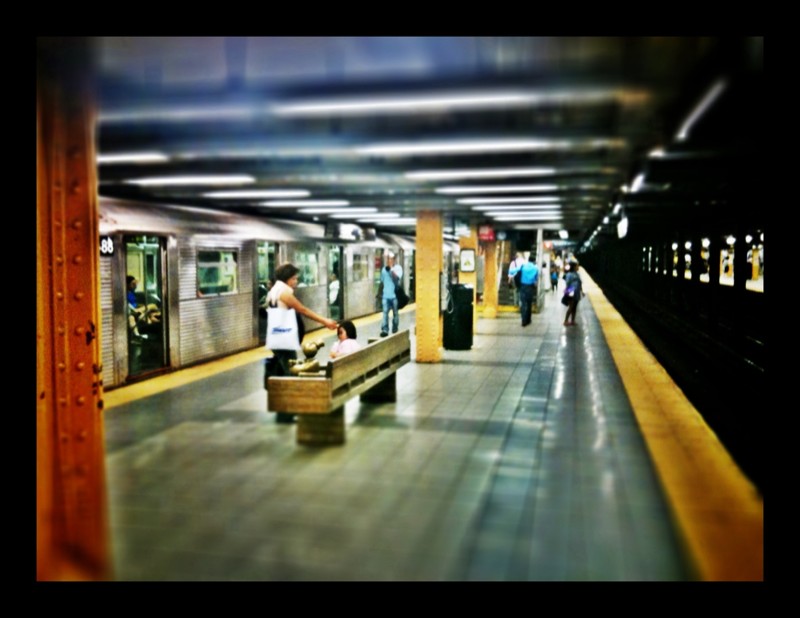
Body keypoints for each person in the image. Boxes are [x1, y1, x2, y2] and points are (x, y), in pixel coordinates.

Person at [266, 263, 338, 422]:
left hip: (277, 338)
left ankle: (283, 411)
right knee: (289, 374)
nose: (296, 282)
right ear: (287, 278)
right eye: (294, 278)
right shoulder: (284, 292)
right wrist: (325, 321)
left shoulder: (274, 290)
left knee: (283, 373)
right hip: (284, 339)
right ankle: (286, 413)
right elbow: (303, 310)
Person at [508, 258, 539, 327]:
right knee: (529, 304)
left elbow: (511, 271)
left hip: (523, 287)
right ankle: (528, 319)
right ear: (534, 261)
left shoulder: (523, 266)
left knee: (523, 304)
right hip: (530, 287)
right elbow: (536, 279)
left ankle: (523, 321)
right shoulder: (535, 268)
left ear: (528, 260)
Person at [379, 253, 403, 337]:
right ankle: (385, 330)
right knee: (385, 313)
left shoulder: (398, 268)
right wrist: (379, 293)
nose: (389, 261)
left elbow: (396, 279)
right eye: (388, 259)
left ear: (394, 260)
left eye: (391, 259)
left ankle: (395, 327)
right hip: (385, 296)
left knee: (395, 313)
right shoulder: (383, 269)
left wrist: (391, 270)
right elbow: (382, 281)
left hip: (394, 296)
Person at [563, 259, 584, 326]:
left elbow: (580, 283)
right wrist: (568, 293)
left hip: (577, 292)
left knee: (574, 307)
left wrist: (581, 291)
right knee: (571, 307)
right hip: (571, 291)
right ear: (574, 267)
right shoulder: (569, 274)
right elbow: (567, 284)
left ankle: (573, 320)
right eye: (577, 266)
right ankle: (566, 321)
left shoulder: (577, 274)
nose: (578, 267)